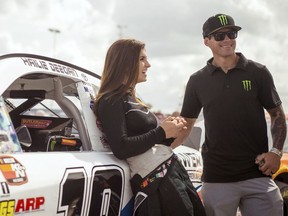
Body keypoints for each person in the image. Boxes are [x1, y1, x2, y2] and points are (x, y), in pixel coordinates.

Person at [175, 13, 287, 216]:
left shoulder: (258, 72)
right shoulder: (197, 81)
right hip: (217, 178)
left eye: (232, 33)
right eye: (220, 36)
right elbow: (187, 124)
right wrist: (162, 151)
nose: (227, 39)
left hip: (258, 174)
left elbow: (277, 115)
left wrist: (276, 152)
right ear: (206, 41)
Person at [93, 38, 206, 216]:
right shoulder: (111, 100)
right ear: (125, 63)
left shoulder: (133, 98)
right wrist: (161, 131)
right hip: (154, 180)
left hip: (171, 170)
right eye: (142, 59)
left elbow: (148, 142)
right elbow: (121, 147)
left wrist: (171, 132)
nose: (149, 64)